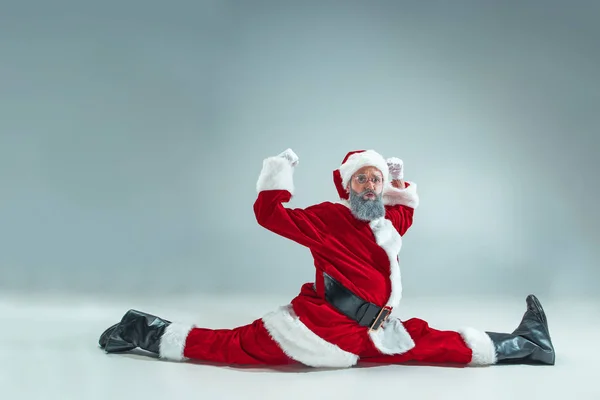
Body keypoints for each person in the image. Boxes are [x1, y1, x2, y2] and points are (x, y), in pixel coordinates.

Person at [98, 148, 555, 367]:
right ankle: (142, 329)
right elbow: (269, 214)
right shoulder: (326, 218)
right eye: (362, 181)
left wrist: (400, 190)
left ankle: (527, 343)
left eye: (376, 180)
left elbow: (403, 215)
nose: (371, 186)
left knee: (429, 340)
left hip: (371, 328)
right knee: (232, 346)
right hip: (318, 329)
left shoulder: (385, 224)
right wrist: (279, 173)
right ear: (346, 187)